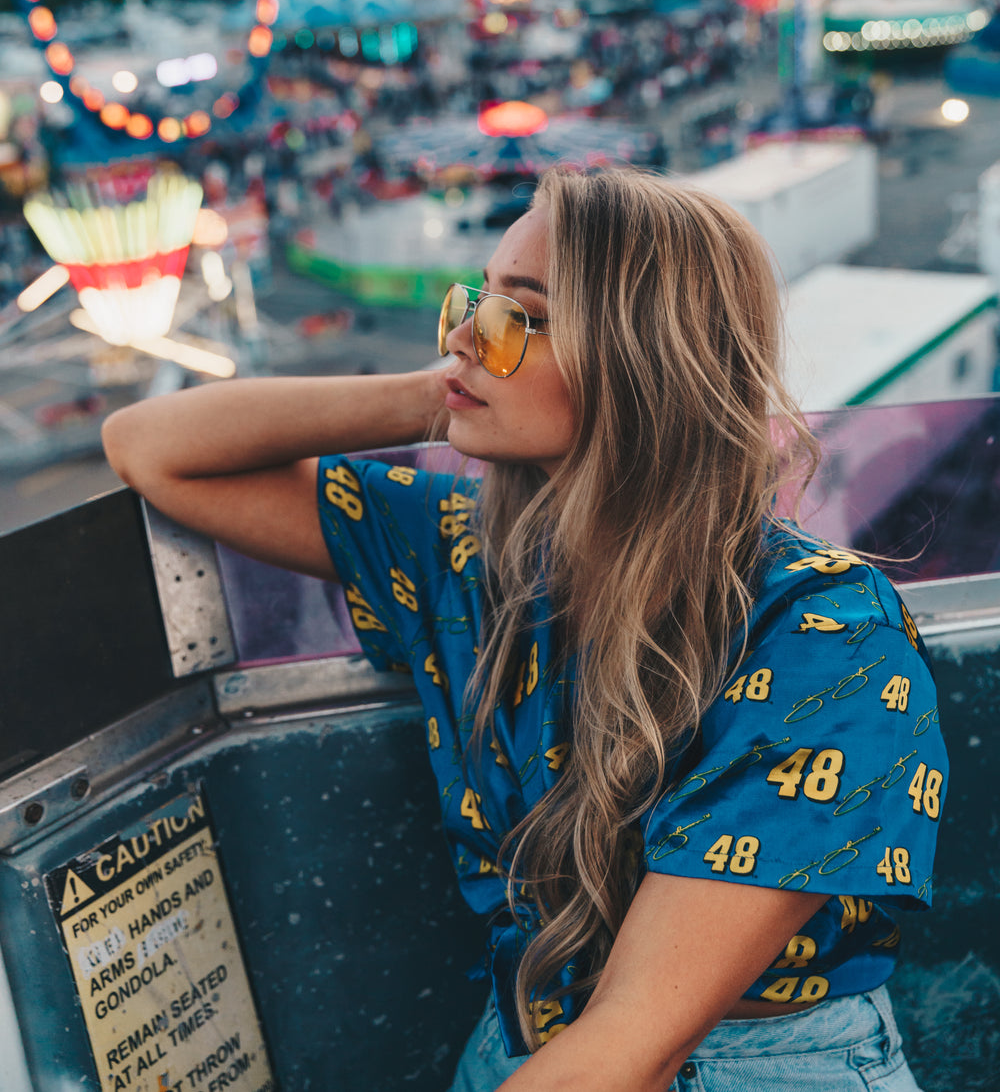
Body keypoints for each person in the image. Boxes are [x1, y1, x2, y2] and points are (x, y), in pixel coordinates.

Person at [102, 166, 946, 1092]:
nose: (464, 333)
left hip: (760, 1065)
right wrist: (452, 385)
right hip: (531, 1041)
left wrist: (481, 376)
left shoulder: (825, 632)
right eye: (476, 300)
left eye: (521, 316)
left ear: (638, 362)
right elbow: (152, 447)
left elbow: (640, 1040)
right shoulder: (467, 548)